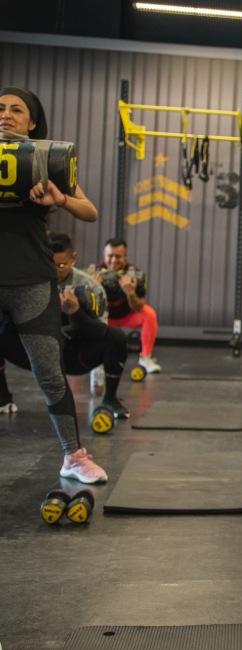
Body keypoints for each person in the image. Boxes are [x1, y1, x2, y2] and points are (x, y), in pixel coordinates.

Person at [0, 86, 106, 484]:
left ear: (31, 121)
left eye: (16, 110)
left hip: (30, 280)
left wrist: (60, 199)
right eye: (0, 108)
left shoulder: (44, 157)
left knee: (49, 373)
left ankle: (73, 457)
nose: (6, 115)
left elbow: (90, 211)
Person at [1, 233, 131, 418]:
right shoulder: (29, 283)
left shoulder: (90, 287)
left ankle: (110, 399)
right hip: (36, 352)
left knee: (116, 338)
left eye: (61, 266)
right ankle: (2, 397)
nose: (55, 271)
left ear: (73, 259)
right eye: (50, 264)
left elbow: (100, 332)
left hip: (73, 356)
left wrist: (75, 312)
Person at [97, 238, 161, 374]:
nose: (114, 260)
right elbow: (88, 307)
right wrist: (95, 289)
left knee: (149, 313)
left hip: (127, 315)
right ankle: (94, 358)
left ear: (125, 257)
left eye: (118, 256)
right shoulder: (95, 273)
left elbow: (138, 307)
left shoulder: (135, 274)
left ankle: (145, 357)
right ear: (104, 255)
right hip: (105, 319)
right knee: (83, 314)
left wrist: (130, 293)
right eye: (110, 256)